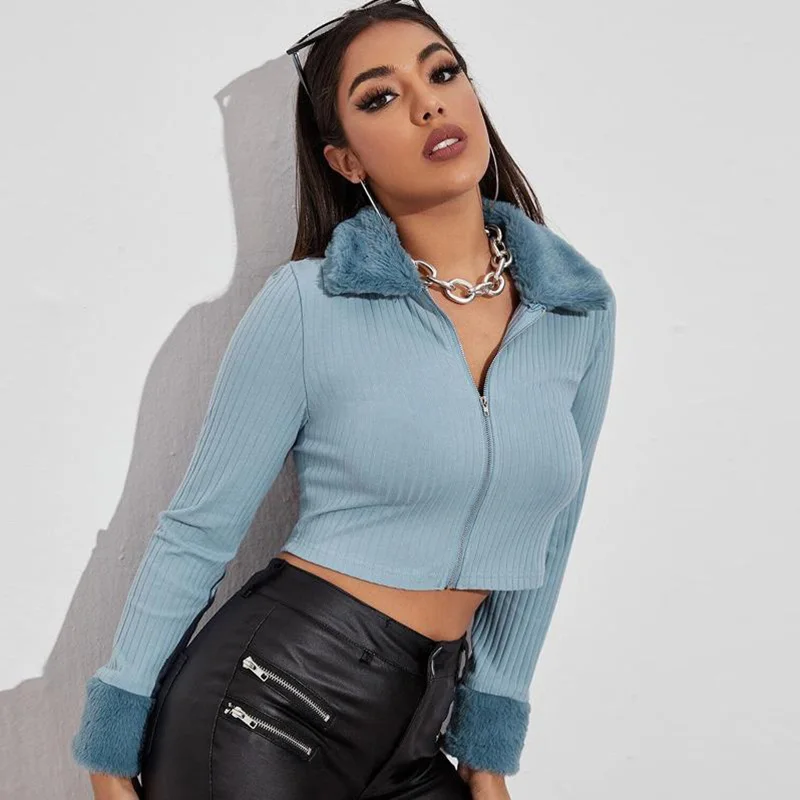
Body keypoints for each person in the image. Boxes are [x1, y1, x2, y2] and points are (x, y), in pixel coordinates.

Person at [71, 1, 617, 798]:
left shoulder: (576, 310)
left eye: (442, 72)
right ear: (346, 160)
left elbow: (552, 536)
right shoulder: (309, 303)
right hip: (266, 706)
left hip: (418, 730)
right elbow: (199, 527)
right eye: (381, 96)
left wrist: (488, 746)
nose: (428, 103)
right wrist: (112, 739)